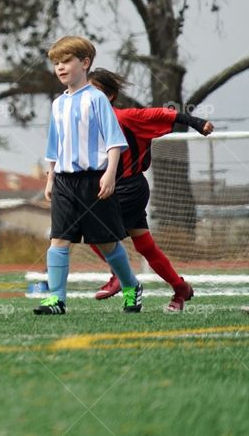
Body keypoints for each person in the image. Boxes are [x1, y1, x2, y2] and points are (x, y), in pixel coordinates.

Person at [86, 68, 212, 312]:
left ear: (109, 96)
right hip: (109, 188)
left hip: (128, 187)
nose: (89, 97)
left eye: (95, 91)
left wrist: (197, 123)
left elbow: (167, 114)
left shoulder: (126, 117)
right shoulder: (83, 124)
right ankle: (180, 288)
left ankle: (121, 279)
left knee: (94, 231)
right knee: (145, 246)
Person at [36, 36, 143, 315]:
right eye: (56, 63)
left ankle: (131, 286)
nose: (60, 67)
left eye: (66, 61)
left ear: (84, 63)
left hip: (94, 180)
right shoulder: (58, 103)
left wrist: (109, 174)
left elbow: (114, 141)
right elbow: (54, 146)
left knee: (107, 244)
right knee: (58, 239)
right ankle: (56, 300)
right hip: (64, 182)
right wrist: (50, 177)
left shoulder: (96, 99)